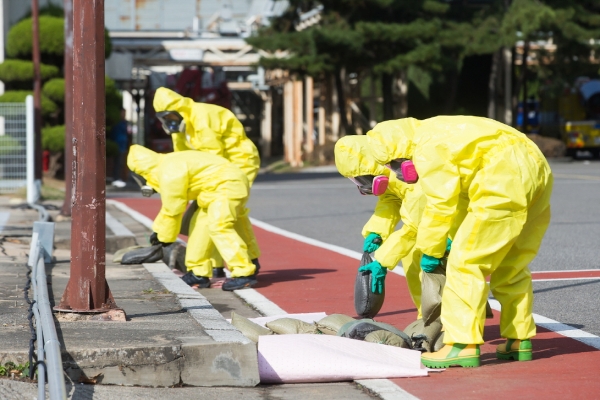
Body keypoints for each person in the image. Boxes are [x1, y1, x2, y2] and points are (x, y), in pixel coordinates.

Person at [366, 116, 553, 368]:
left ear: (398, 151)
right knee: (512, 262)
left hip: (500, 177)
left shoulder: (424, 147)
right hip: (536, 166)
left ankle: (461, 345)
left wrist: (431, 250)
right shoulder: (439, 128)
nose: (398, 172)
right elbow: (462, 199)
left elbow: (440, 204)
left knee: (464, 264)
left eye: (394, 165)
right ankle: (518, 340)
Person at [153, 87, 261, 278]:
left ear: (179, 109)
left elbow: (213, 157)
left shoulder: (202, 118)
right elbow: (182, 158)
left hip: (239, 163)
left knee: (222, 214)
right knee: (220, 214)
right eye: (164, 118)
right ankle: (219, 263)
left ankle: (247, 260)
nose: (169, 121)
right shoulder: (181, 126)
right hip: (218, 169)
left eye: (170, 116)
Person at [127, 145, 260, 291]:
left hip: (227, 185)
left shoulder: (168, 172)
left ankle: (244, 272)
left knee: (219, 227)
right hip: (213, 190)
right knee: (199, 228)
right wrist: (160, 232)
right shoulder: (167, 162)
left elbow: (173, 208)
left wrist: (163, 236)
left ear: (141, 172)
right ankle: (198, 273)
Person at [334, 135, 428, 316]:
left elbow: (413, 229)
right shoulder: (390, 174)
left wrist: (383, 260)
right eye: (357, 180)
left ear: (373, 165)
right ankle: (429, 316)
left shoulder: (409, 177)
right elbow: (391, 199)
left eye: (363, 178)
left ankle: (455, 322)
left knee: (435, 260)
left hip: (453, 220)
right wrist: (376, 231)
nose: (364, 185)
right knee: (412, 258)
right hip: (434, 221)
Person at [110, 108, 130, 188]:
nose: (124, 115)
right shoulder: (117, 123)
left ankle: (118, 178)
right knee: (117, 163)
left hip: (123, 145)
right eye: (123, 113)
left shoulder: (125, 123)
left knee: (121, 163)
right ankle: (116, 178)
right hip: (118, 144)